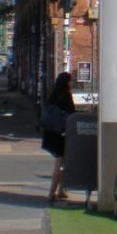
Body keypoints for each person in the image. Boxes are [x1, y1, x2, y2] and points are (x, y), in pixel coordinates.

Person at [42, 71, 75, 203]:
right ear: (66, 83)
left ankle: (61, 190)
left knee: (62, 162)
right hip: (61, 134)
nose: (72, 83)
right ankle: (52, 192)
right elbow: (71, 114)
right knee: (60, 163)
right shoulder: (66, 95)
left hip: (51, 132)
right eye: (70, 81)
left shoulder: (53, 95)